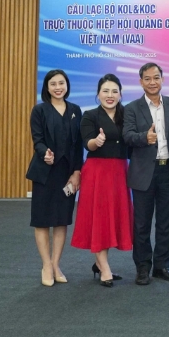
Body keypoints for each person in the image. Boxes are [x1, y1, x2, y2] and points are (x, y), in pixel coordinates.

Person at [123, 62, 169, 285]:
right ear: (141, 82)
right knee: (142, 224)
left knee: (166, 222)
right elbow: (127, 135)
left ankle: (161, 266)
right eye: (147, 78)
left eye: (156, 77)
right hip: (143, 172)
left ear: (162, 79)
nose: (152, 82)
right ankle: (142, 268)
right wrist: (144, 138)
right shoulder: (131, 108)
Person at [71, 74, 133, 287]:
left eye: (114, 91)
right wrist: (96, 142)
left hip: (120, 171)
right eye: (105, 91)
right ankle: (104, 267)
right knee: (99, 217)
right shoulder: (90, 115)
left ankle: (100, 264)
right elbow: (87, 143)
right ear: (98, 94)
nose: (110, 95)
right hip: (97, 172)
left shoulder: (127, 114)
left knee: (111, 218)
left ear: (121, 94)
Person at [27, 69, 83, 286]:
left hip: (66, 174)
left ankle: (56, 264)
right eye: (53, 84)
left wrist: (77, 172)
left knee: (61, 220)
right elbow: (37, 140)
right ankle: (46, 265)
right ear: (47, 87)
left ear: (67, 85)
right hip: (45, 172)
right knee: (42, 220)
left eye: (61, 83)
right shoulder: (39, 110)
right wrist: (45, 153)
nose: (58, 87)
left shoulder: (75, 110)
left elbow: (78, 145)